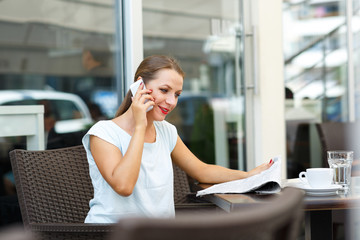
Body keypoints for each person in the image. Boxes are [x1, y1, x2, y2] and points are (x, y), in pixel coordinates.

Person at [82, 55, 274, 223]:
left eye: (177, 94)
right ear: (140, 85)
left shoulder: (166, 131)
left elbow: (202, 171)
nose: (172, 102)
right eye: (164, 90)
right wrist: (140, 126)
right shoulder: (103, 133)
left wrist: (249, 175)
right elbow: (124, 186)